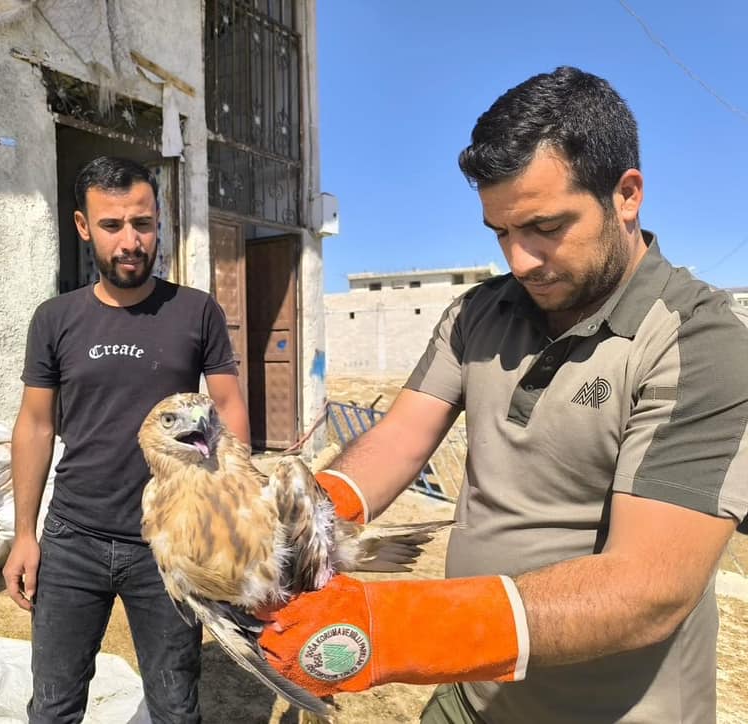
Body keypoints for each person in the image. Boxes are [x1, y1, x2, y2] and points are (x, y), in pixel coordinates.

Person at [257, 66, 748, 723]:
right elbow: (401, 439)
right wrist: (302, 524)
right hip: (473, 693)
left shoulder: (699, 342)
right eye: (501, 233)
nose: (520, 260)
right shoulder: (477, 314)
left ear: (627, 194)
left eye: (545, 227)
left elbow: (648, 589)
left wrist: (393, 627)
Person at [2, 156, 249, 723]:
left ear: (158, 222)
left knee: (174, 704)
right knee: (55, 703)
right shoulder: (55, 319)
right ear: (84, 228)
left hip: (167, 542)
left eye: (143, 223)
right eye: (112, 226)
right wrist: (23, 534)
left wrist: (231, 517)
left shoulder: (196, 311)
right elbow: (36, 424)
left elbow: (229, 406)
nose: (131, 241)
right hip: (72, 538)